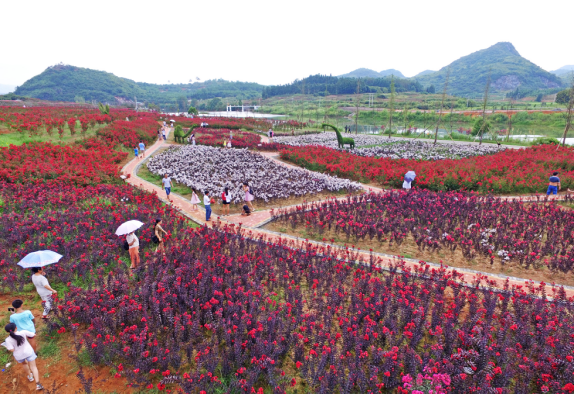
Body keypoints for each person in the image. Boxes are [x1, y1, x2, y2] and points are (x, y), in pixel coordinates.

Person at [3, 323, 43, 391]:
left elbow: (12, 350)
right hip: (28, 352)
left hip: (19, 355)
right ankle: (38, 384)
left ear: (7, 332)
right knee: (33, 367)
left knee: (24, 364)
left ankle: (30, 377)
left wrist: (6, 346)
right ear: (16, 328)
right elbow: (33, 335)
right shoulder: (23, 332)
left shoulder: (8, 340)